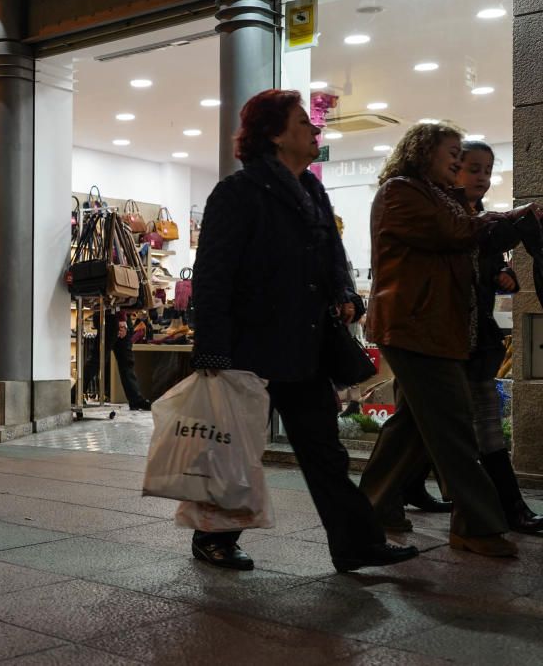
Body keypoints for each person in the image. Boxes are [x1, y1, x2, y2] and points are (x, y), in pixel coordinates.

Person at [189, 89, 417, 573]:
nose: (315, 131)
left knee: (325, 452)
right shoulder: (237, 193)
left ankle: (356, 544)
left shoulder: (311, 190)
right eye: (302, 123)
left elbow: (332, 255)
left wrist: (346, 294)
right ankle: (214, 537)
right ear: (273, 134)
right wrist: (212, 352)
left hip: (305, 345)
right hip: (249, 348)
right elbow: (212, 275)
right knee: (237, 449)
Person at [359, 123, 543, 557]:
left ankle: (371, 508)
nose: (459, 163)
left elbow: (468, 239)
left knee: (413, 427)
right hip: (415, 326)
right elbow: (454, 233)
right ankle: (476, 524)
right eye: (453, 155)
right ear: (424, 152)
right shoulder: (402, 191)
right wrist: (506, 216)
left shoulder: (441, 197)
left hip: (433, 327)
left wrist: (512, 222)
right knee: (454, 424)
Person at [80, 308, 151, 410]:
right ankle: (75, 393)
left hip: (116, 315)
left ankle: (136, 399)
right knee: (99, 360)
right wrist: (121, 319)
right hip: (113, 315)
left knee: (124, 362)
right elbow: (116, 295)